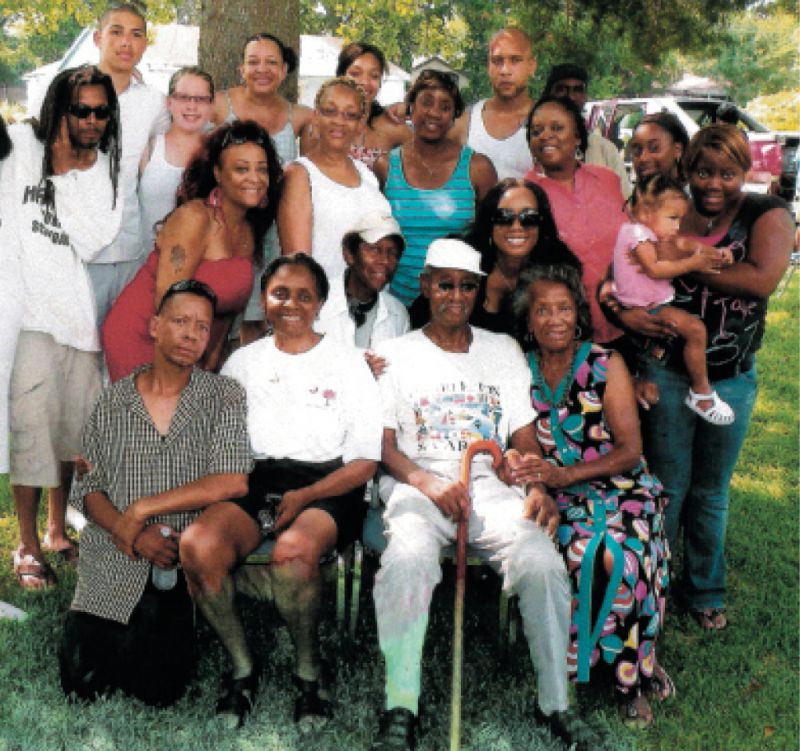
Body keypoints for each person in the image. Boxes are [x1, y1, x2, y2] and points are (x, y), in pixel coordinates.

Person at [369, 239, 596, 751]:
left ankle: (557, 705)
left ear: (478, 291)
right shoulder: (395, 354)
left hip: (490, 488)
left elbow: (521, 434)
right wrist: (428, 483)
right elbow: (382, 447)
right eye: (444, 283)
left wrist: (535, 482)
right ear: (425, 286)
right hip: (418, 486)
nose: (455, 295)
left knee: (541, 560)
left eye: (466, 286)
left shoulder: (502, 350)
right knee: (406, 561)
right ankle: (400, 705)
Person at [181, 254, 382, 728]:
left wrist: (307, 497)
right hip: (255, 481)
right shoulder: (243, 362)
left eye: (304, 295)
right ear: (265, 299)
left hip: (329, 482)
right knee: (199, 546)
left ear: (320, 304)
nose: (291, 304)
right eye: (280, 293)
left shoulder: (347, 363)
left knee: (293, 554)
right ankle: (242, 668)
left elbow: (364, 463)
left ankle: (309, 670)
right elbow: (220, 443)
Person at [622, 125, 793, 631]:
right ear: (687, 169)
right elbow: (633, 261)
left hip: (731, 376)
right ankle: (654, 586)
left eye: (728, 172)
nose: (714, 183)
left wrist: (681, 261)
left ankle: (705, 590)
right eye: (703, 171)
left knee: (711, 489)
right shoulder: (669, 205)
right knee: (668, 485)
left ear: (747, 171)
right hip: (666, 367)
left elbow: (760, 279)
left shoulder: (767, 214)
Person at [59, 280, 252, 706]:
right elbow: (89, 489)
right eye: (180, 321)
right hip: (117, 550)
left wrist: (144, 509)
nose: (190, 334)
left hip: (173, 558)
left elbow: (233, 479)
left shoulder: (223, 395)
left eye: (202, 327)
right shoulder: (113, 401)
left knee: (159, 690)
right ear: (155, 326)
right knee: (81, 683)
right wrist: (130, 530)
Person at [512, 263, 672, 728]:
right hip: (562, 498)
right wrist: (547, 479)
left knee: (622, 555)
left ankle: (633, 676)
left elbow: (630, 450)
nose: (555, 319)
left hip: (622, 487)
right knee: (584, 554)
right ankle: (578, 670)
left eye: (564, 308)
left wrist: (568, 474)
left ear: (577, 314)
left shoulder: (606, 362)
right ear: (528, 320)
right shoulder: (518, 367)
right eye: (543, 310)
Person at [2, 65, 122, 589]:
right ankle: (26, 545)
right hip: (25, 315)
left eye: (102, 111)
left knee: (72, 434)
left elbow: (94, 237)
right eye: (82, 111)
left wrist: (70, 165)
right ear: (59, 109)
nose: (94, 121)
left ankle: (56, 530)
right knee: (31, 430)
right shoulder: (20, 146)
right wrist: (46, 150)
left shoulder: (101, 169)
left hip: (76, 316)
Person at [102, 120, 282, 382]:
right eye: (241, 169)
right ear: (218, 174)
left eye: (262, 170)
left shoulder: (248, 230)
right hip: (146, 334)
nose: (254, 178)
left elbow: (228, 309)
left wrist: (212, 358)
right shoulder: (195, 218)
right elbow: (168, 300)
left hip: (192, 344)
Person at [212, 33, 314, 344]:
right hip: (225, 229)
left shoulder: (299, 116)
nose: (262, 69)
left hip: (271, 233)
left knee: (257, 322)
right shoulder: (218, 105)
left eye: (271, 62)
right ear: (241, 68)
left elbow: (316, 170)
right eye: (253, 62)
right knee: (218, 319)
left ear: (284, 70)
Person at [613, 174, 735, 424]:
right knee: (695, 330)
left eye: (680, 218)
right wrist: (693, 264)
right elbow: (654, 269)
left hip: (651, 303)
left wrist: (717, 255)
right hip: (646, 307)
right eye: (672, 218)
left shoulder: (648, 231)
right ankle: (701, 392)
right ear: (646, 211)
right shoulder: (636, 233)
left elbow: (685, 244)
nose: (677, 225)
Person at [374, 71, 497, 305]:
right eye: (426, 102)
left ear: (454, 116)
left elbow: (489, 240)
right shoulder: (386, 166)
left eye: (445, 106)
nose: (434, 113)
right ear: (410, 107)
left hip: (455, 305)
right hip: (397, 301)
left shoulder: (478, 168)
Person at [408, 177, 581, 334]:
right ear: (489, 222)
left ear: (541, 225)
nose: (516, 227)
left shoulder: (558, 270)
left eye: (529, 218)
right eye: (504, 217)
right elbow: (421, 317)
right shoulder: (461, 260)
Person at [87, 2, 170, 324]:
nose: (126, 43)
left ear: (145, 45)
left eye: (136, 35)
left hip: (129, 242)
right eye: (116, 32)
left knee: (120, 339)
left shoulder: (152, 102)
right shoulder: (67, 90)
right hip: (77, 244)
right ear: (98, 38)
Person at [525, 95, 626, 344]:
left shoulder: (607, 180)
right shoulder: (524, 194)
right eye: (536, 131)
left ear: (578, 137)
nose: (545, 136)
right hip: (563, 334)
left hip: (625, 321)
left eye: (557, 128)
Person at [278, 77, 393, 284]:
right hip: (324, 306)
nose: (339, 121)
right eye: (330, 111)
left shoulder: (366, 174)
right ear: (315, 117)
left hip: (368, 304)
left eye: (350, 115)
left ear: (360, 124)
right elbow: (298, 264)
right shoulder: (300, 174)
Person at [387, 28, 537, 180]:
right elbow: (423, 151)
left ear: (531, 65)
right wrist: (408, 108)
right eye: (497, 61)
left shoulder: (546, 122)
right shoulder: (467, 121)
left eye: (515, 60)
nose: (505, 70)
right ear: (488, 66)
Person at [138, 66, 216, 253]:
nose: (191, 106)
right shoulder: (149, 147)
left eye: (201, 99)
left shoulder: (218, 154)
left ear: (212, 105)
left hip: (202, 265)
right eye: (183, 97)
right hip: (148, 264)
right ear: (169, 102)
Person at [315, 210, 410, 355]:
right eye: (374, 249)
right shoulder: (316, 302)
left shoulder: (398, 314)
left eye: (392, 253)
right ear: (349, 254)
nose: (385, 260)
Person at [541, 63, 631, 197]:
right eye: (562, 89)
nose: (570, 97)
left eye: (577, 90)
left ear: (585, 97)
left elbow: (624, 203)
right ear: (548, 95)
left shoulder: (604, 150)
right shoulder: (533, 146)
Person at [333, 41, 411, 169]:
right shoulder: (320, 125)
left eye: (374, 76)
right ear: (340, 77)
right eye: (355, 74)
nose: (365, 82)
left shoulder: (393, 126)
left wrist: (411, 109)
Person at [628, 112, 689, 186]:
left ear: (677, 150)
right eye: (637, 151)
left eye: (654, 148)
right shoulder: (632, 196)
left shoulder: (695, 196)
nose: (643, 158)